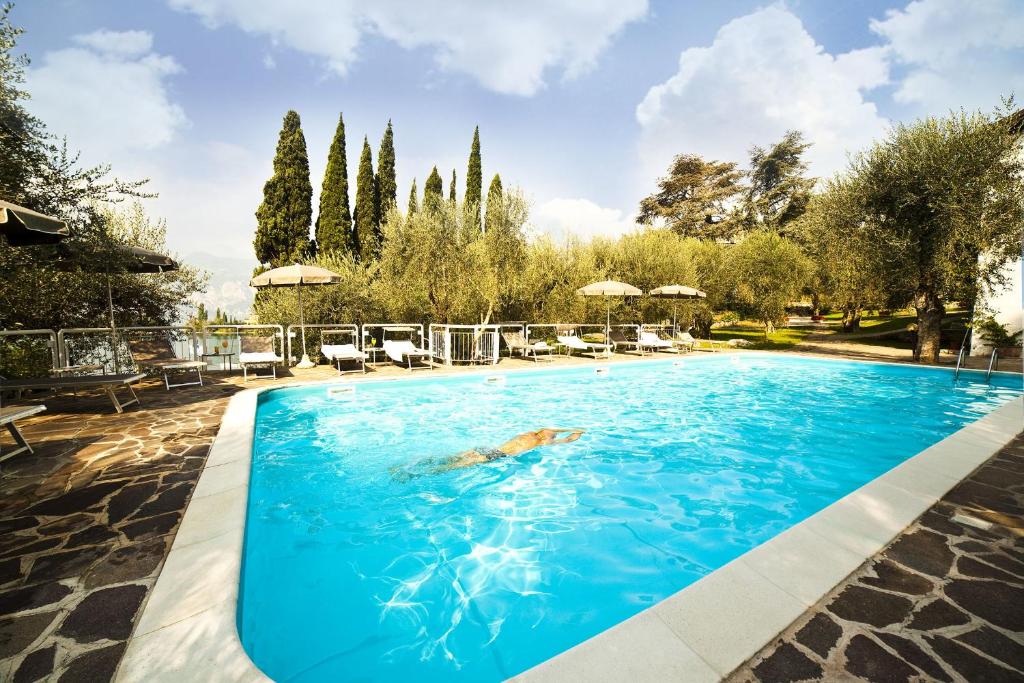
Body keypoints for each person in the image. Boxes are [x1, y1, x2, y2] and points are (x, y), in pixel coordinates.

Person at [390, 428, 585, 481]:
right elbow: (565, 439)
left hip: (488, 448)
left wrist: (572, 430)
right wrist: (577, 432)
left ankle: (408, 467)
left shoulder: (532, 434)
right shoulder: (540, 440)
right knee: (453, 465)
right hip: (495, 455)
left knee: (451, 457)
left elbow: (560, 434)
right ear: (546, 437)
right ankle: (414, 474)